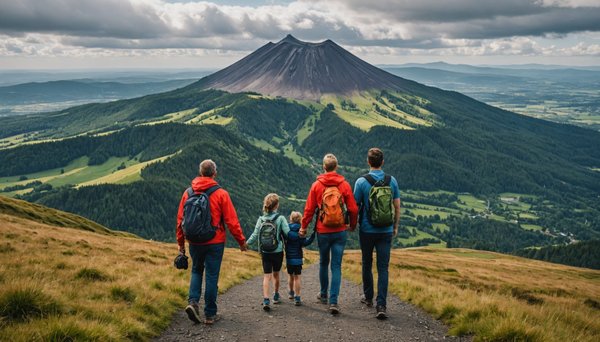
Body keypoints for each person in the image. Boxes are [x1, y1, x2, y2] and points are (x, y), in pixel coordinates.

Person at [176, 159, 247, 325]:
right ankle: (210, 314)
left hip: (194, 241)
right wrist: (241, 242)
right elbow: (232, 221)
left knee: (196, 271)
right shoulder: (221, 193)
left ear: (201, 173)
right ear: (214, 173)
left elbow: (181, 220)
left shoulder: (188, 193)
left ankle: (193, 303)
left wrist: (181, 244)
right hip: (215, 241)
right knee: (212, 275)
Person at [299, 153, 358, 315]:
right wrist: (351, 225)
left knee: (324, 262)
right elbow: (353, 209)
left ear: (323, 167)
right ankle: (334, 301)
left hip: (323, 230)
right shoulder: (344, 185)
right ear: (336, 167)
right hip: (340, 231)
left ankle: (323, 294)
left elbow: (309, 210)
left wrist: (303, 227)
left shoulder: (316, 186)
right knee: (336, 266)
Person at [353, 148, 401, 320]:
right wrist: (395, 226)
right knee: (383, 268)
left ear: (368, 162)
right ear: (382, 162)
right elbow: (396, 206)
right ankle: (381, 304)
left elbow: (354, 207)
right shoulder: (392, 181)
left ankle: (368, 298)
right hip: (386, 230)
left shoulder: (361, 182)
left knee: (367, 263)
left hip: (367, 230)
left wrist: (352, 224)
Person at [245, 193, 290, 312]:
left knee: (266, 276)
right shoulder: (280, 218)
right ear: (276, 205)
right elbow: (287, 233)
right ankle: (275, 295)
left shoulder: (261, 219)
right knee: (276, 274)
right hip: (278, 251)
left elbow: (255, 235)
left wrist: (246, 244)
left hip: (265, 251)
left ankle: (266, 299)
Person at [285, 211, 316, 306]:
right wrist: (313, 236)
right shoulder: (301, 231)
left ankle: (291, 293)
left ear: (291, 219)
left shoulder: (287, 230)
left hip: (289, 258)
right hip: (298, 258)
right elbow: (305, 243)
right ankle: (297, 297)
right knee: (297, 277)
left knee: (290, 276)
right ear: (300, 220)